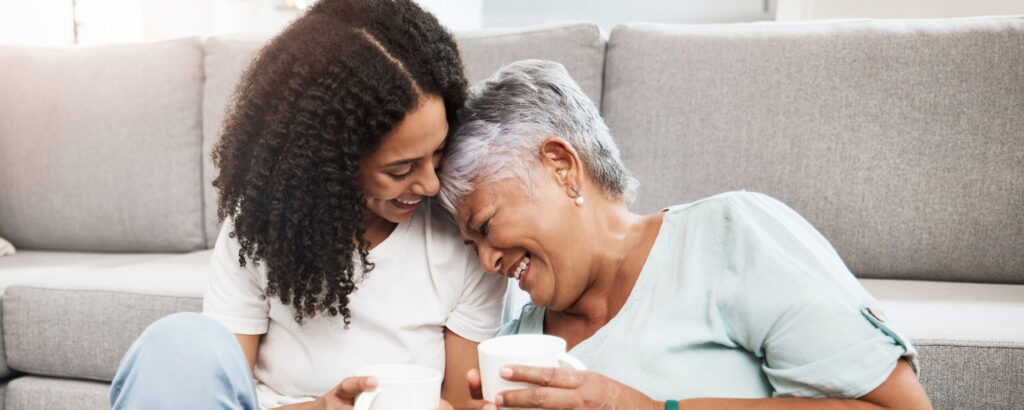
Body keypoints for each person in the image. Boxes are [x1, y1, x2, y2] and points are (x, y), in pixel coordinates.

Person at [436, 60, 933, 409]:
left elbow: (899, 408)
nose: (486, 261)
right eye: (471, 244)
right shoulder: (514, 348)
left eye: (485, 227)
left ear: (563, 167)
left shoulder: (732, 236)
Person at [109, 1, 506, 409]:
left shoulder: (463, 238)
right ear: (331, 162)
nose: (429, 183)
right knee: (178, 342)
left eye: (437, 151)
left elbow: (460, 404)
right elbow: (216, 393)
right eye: (401, 169)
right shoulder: (261, 226)